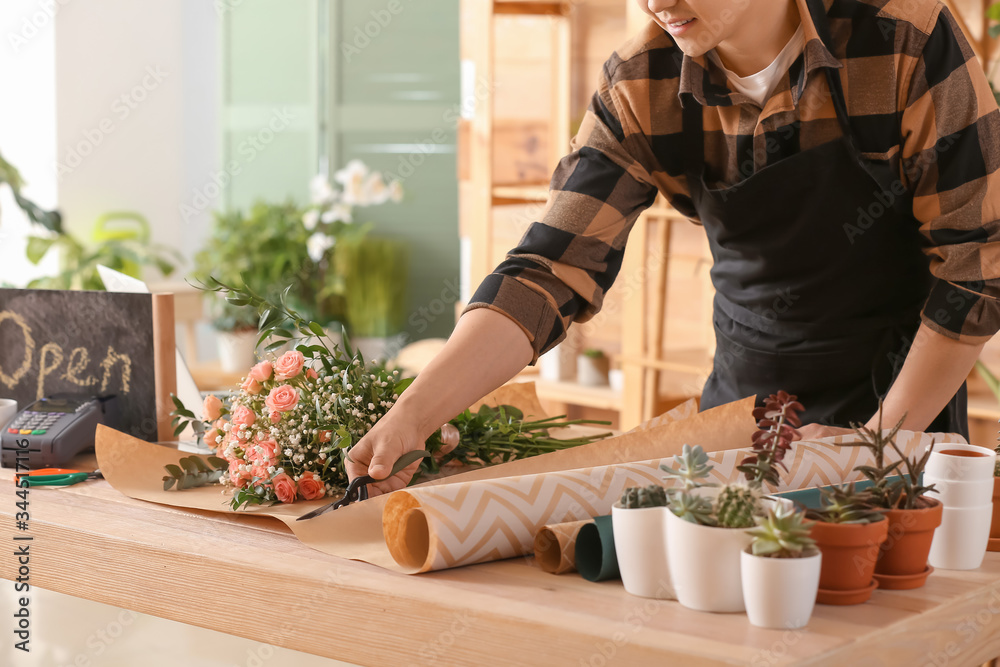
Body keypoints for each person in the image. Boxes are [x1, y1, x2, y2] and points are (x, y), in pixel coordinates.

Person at [346, 0, 1000, 495]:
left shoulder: (901, 42)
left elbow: (979, 264)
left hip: (902, 411)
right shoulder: (641, 83)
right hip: (740, 417)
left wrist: (875, 445)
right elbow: (549, 271)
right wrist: (411, 417)